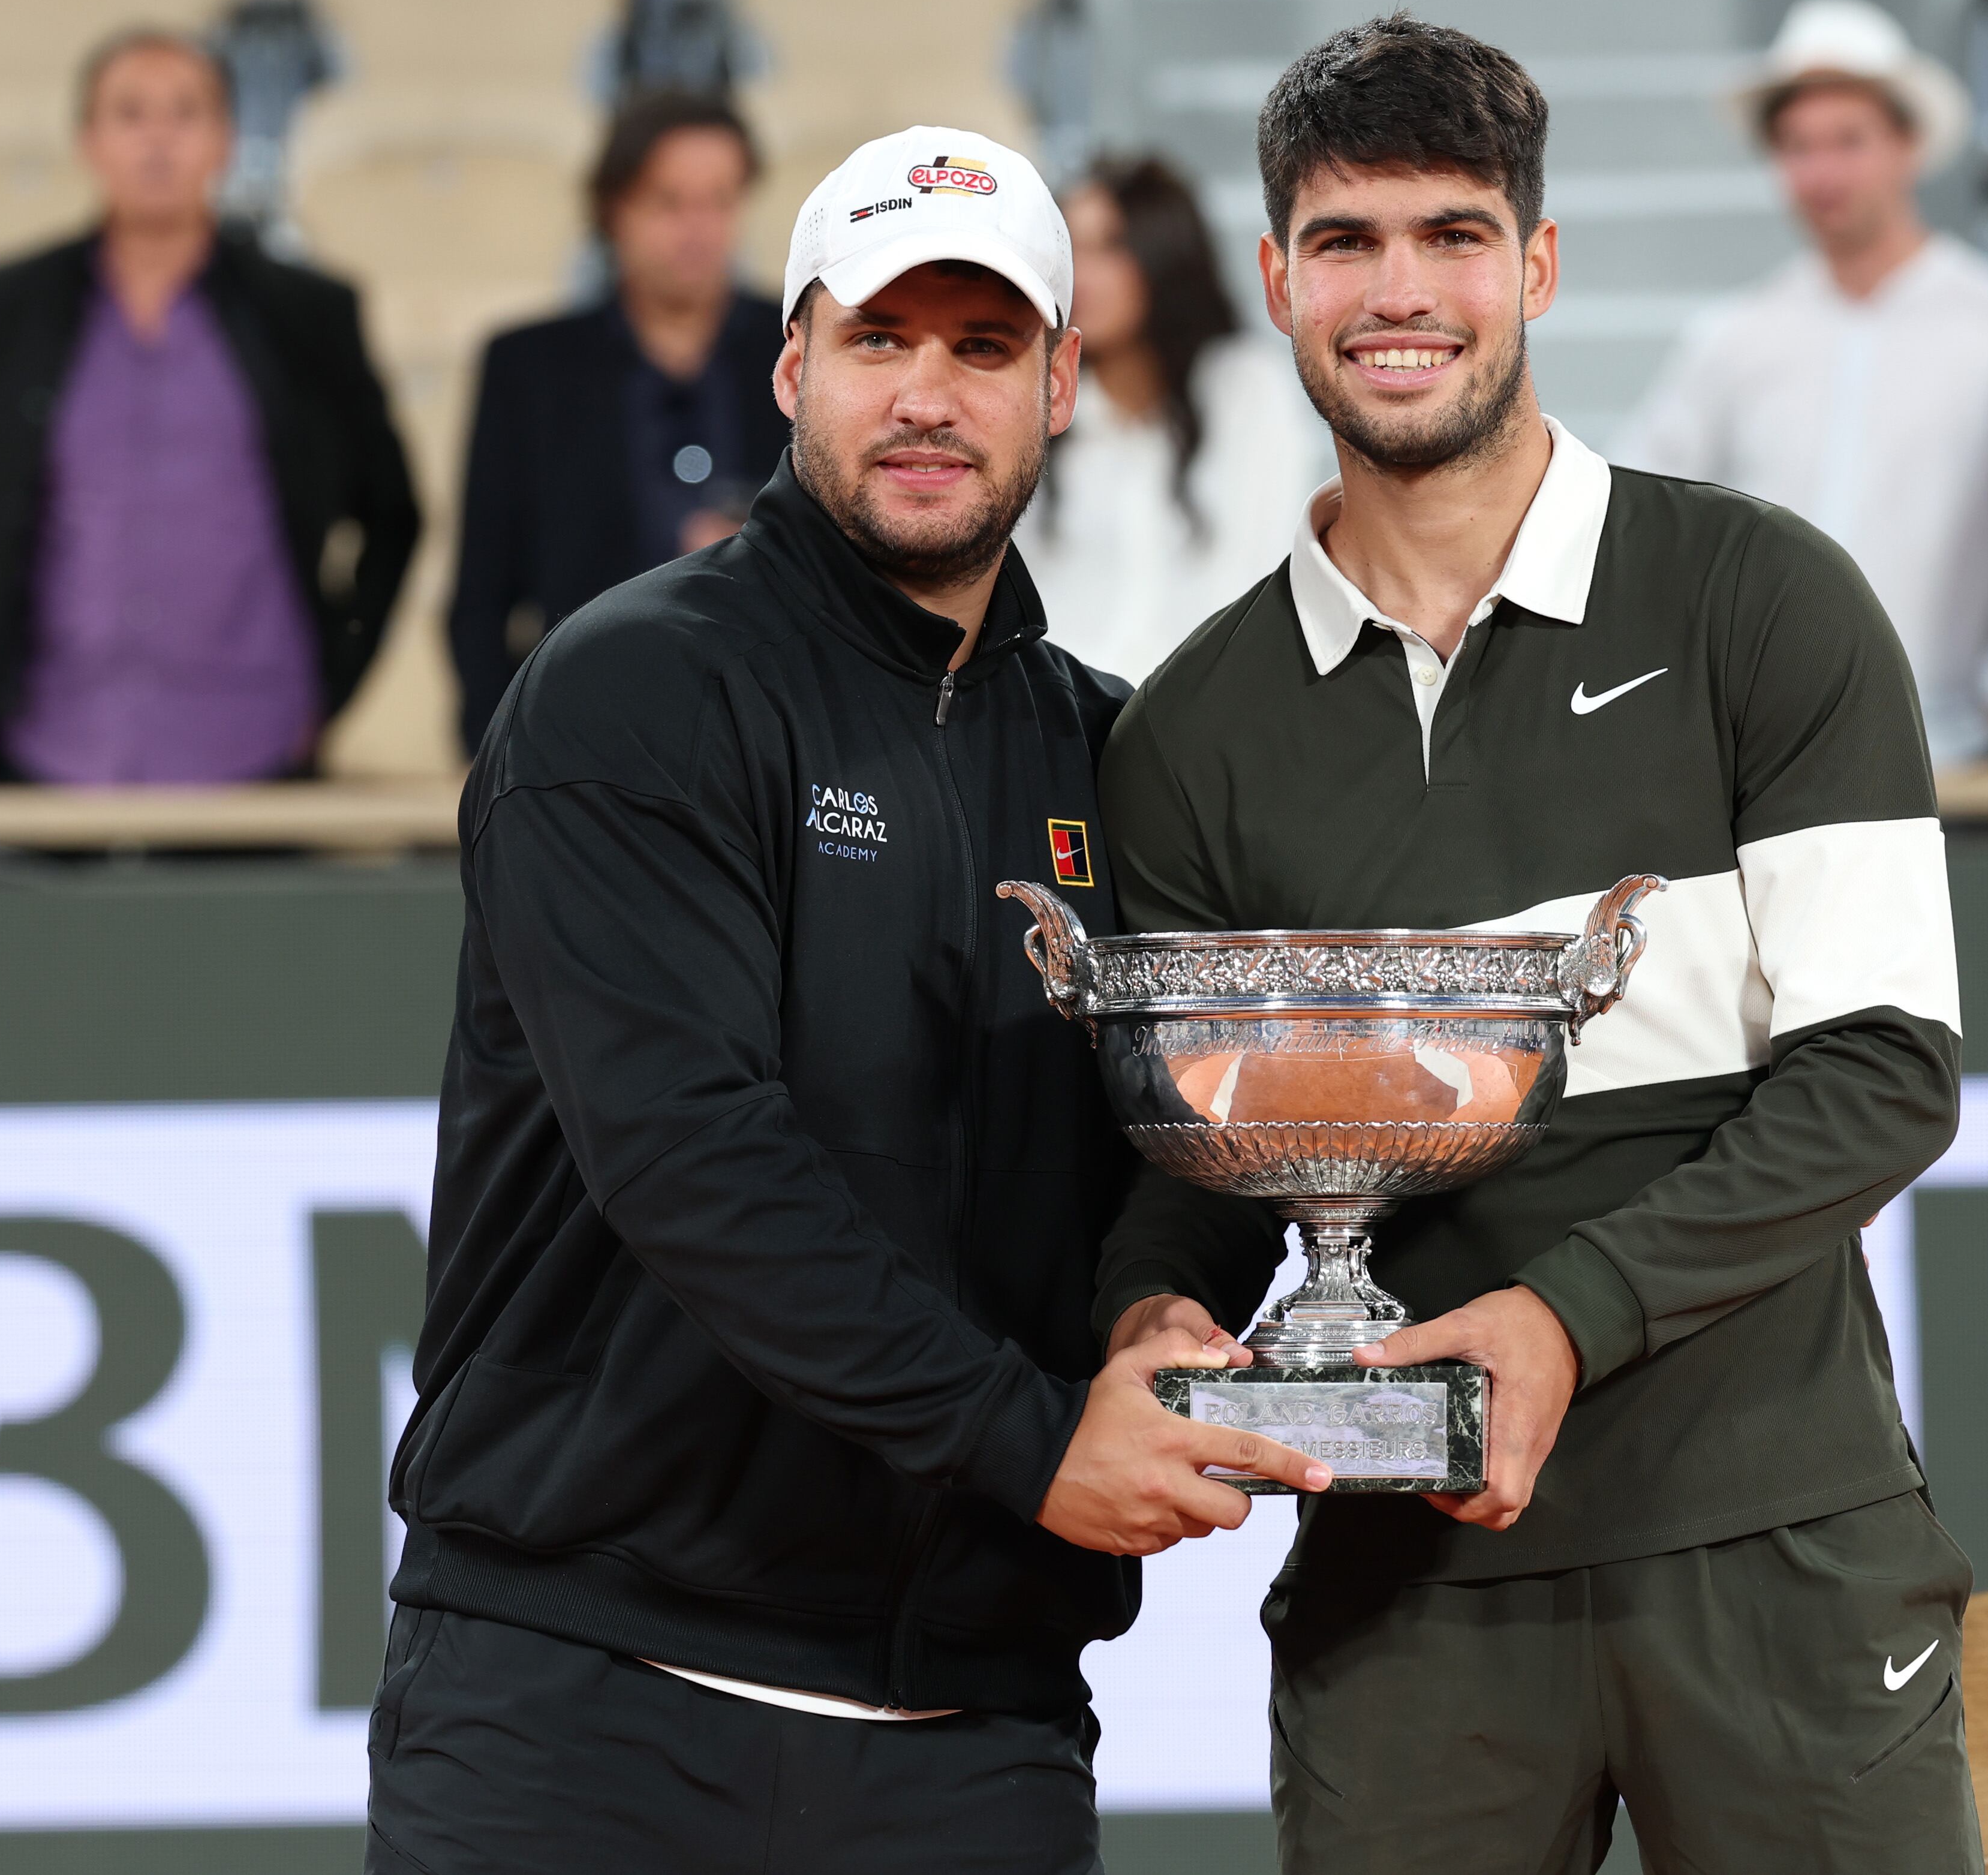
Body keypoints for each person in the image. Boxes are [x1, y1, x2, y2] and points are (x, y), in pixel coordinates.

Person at [366, 125, 1328, 1875]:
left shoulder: (1114, 748)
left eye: (979, 347)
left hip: (977, 1735)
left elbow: (1189, 1126)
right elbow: (696, 1161)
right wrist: (1033, 1441)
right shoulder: (631, 689)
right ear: (793, 363)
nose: (924, 395)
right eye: (878, 340)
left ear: (1062, 380)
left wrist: (1149, 1312)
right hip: (586, 1712)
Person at [1095, 16, 1977, 1873]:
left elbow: (1882, 1072)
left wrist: (1565, 1318)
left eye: (1451, 233)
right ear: (1271, 277)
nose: (1397, 291)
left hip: (1779, 1551)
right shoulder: (1189, 729)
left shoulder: (1762, 600)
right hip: (1403, 1590)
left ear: (1538, 265)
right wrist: (1152, 1312)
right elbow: (1182, 1163)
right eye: (1343, 241)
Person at [0, 26, 419, 784]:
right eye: (130, 114)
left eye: (185, 114)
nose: (158, 141)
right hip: (46, 746)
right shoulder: (10, 305)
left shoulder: (306, 312)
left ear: (224, 140)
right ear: (87, 141)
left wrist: (330, 679)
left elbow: (392, 512)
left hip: (253, 745)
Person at [1618, 0, 1988, 766]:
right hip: (1766, 759)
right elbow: (1638, 513)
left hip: (1951, 756)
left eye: (1849, 141)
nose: (1821, 172)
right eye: (1798, 147)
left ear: (1908, 146)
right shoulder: (1732, 339)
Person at [448, 90, 793, 751]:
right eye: (669, 202)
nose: (698, 228)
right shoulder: (529, 367)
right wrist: (501, 752)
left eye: (719, 201)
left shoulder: (801, 351)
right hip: (580, 731)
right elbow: (482, 591)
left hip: (771, 734)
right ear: (613, 209)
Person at [1023, 154, 1326, 682]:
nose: (1082, 276)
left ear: (1161, 253)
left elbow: (1263, 568)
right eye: (1071, 249)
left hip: (1205, 720)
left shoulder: (1242, 389)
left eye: (1110, 247)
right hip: (1058, 721)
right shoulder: (1034, 403)